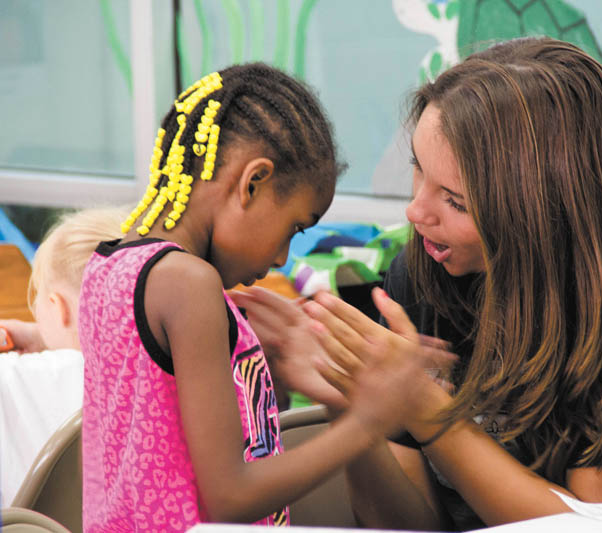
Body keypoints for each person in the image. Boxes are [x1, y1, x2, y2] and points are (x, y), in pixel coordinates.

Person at [243, 38, 602, 530]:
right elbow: (409, 524)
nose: (416, 211)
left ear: (547, 214)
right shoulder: (424, 275)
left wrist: (424, 407)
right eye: (418, 170)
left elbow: (597, 529)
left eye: (456, 202)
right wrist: (346, 395)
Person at [77, 63, 445, 532]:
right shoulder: (190, 285)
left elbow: (160, 436)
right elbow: (231, 499)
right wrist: (369, 420)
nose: (282, 258)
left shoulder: (107, 266)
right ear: (252, 182)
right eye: (294, 228)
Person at [0, 206, 124, 506]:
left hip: (28, 525)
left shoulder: (16, 376)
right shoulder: (166, 374)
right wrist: (45, 337)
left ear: (59, 307)